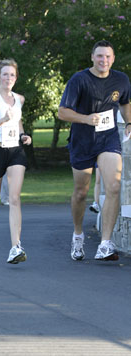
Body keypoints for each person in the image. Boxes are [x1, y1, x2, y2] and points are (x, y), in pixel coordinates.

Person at [58, 40, 131, 261]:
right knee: (81, 192)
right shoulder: (79, 80)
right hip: (82, 141)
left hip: (108, 139)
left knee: (114, 186)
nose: (104, 60)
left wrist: (128, 123)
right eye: (100, 56)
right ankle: (78, 235)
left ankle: (105, 244)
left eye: (108, 56)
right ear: (92, 57)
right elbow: (62, 112)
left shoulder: (121, 79)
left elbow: (126, 102)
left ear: (113, 58)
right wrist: (86, 119)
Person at [0, 59, 32, 264]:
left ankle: (15, 247)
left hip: (15, 151)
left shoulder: (19, 99)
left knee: (14, 198)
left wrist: (23, 135)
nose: (9, 78)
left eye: (12, 75)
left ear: (16, 78)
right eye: (5, 74)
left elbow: (17, 121)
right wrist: (2, 120)